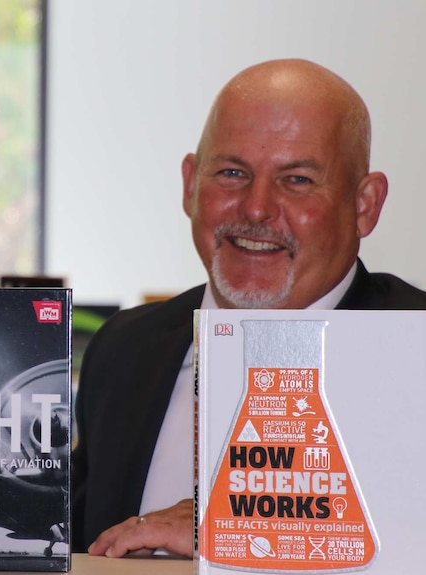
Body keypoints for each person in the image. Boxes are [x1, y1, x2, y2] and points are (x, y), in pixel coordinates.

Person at [71, 58, 426, 558]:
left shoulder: (417, 348)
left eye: (297, 179)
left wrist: (235, 524)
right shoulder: (124, 348)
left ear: (365, 204)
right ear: (190, 183)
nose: (256, 208)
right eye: (233, 172)